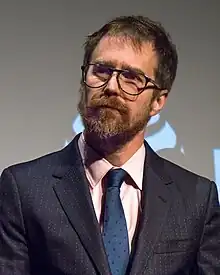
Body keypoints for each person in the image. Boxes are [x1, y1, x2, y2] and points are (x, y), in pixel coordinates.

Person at [0, 15, 219, 275]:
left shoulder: (196, 198)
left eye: (131, 77)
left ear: (158, 101)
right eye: (101, 71)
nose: (111, 87)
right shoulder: (23, 189)